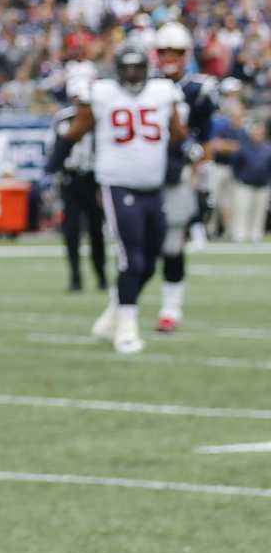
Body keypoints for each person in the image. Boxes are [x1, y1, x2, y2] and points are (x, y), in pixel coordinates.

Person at [47, 45, 187, 356]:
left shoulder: (163, 91)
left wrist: (178, 154)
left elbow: (178, 132)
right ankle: (126, 328)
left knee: (151, 260)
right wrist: (56, 159)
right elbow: (77, 128)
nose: (134, 75)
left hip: (153, 186)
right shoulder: (104, 93)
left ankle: (114, 313)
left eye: (139, 69)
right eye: (128, 69)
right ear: (118, 71)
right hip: (118, 185)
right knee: (131, 258)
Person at [151, 21, 219, 332]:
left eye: (176, 52)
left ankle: (170, 308)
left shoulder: (198, 90)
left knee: (172, 246)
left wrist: (199, 172)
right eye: (164, 51)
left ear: (186, 54)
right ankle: (121, 306)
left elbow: (204, 141)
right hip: (142, 173)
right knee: (135, 247)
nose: (170, 57)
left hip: (176, 174)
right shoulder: (143, 86)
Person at [52, 90, 105, 292]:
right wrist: (53, 171)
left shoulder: (99, 117)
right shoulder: (63, 118)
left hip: (93, 179)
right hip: (70, 179)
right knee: (71, 231)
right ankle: (75, 278)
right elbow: (55, 148)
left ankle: (101, 276)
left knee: (96, 231)